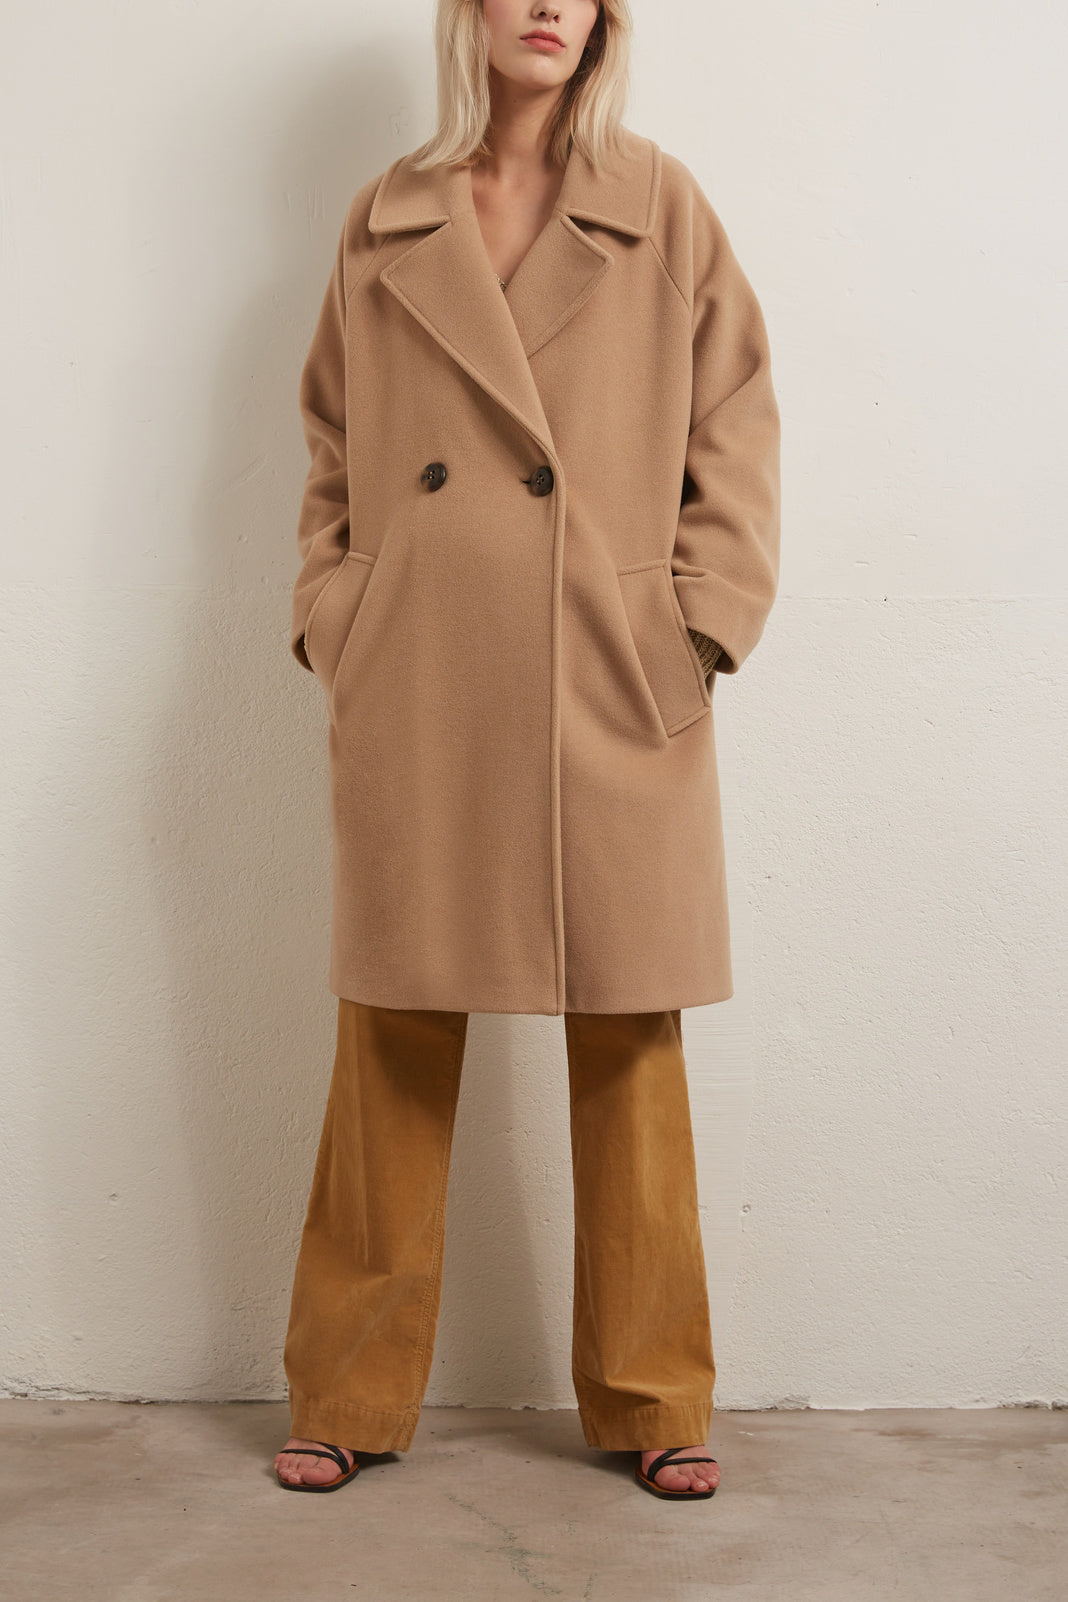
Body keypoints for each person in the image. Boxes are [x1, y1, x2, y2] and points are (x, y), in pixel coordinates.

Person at [274, 0, 780, 1502]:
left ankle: (655, 1395)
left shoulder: (658, 204)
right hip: (425, 665)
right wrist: (341, 610)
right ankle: (347, 1389)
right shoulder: (391, 213)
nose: (550, 5)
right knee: (393, 1025)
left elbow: (737, 421)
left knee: (628, 1024)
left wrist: (700, 620)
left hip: (605, 668)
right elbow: (330, 438)